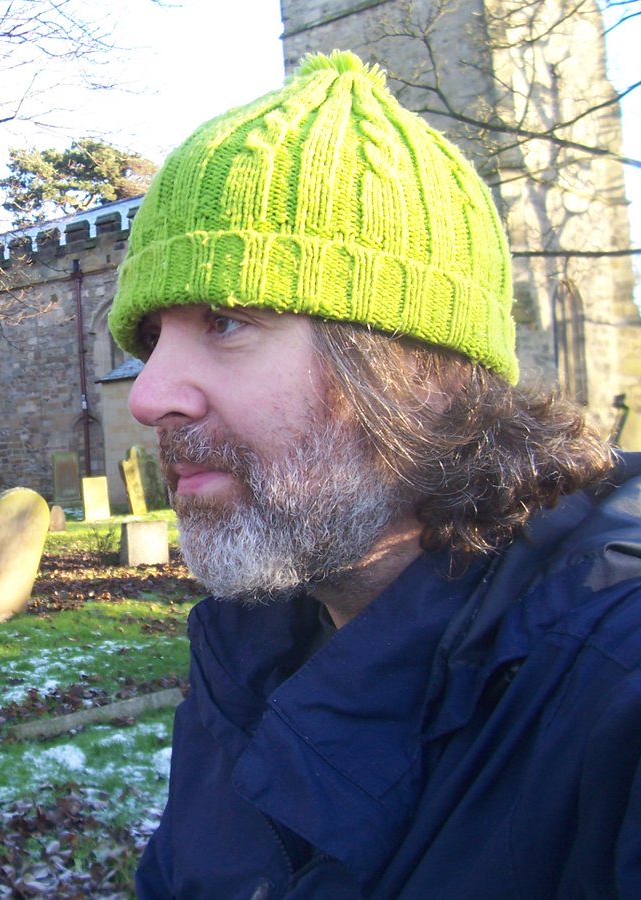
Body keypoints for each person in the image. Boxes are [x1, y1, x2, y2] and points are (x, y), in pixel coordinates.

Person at [108, 50, 641, 899]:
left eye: (227, 321)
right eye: (149, 341)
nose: (150, 396)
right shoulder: (245, 654)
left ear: (417, 368)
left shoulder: (614, 680)